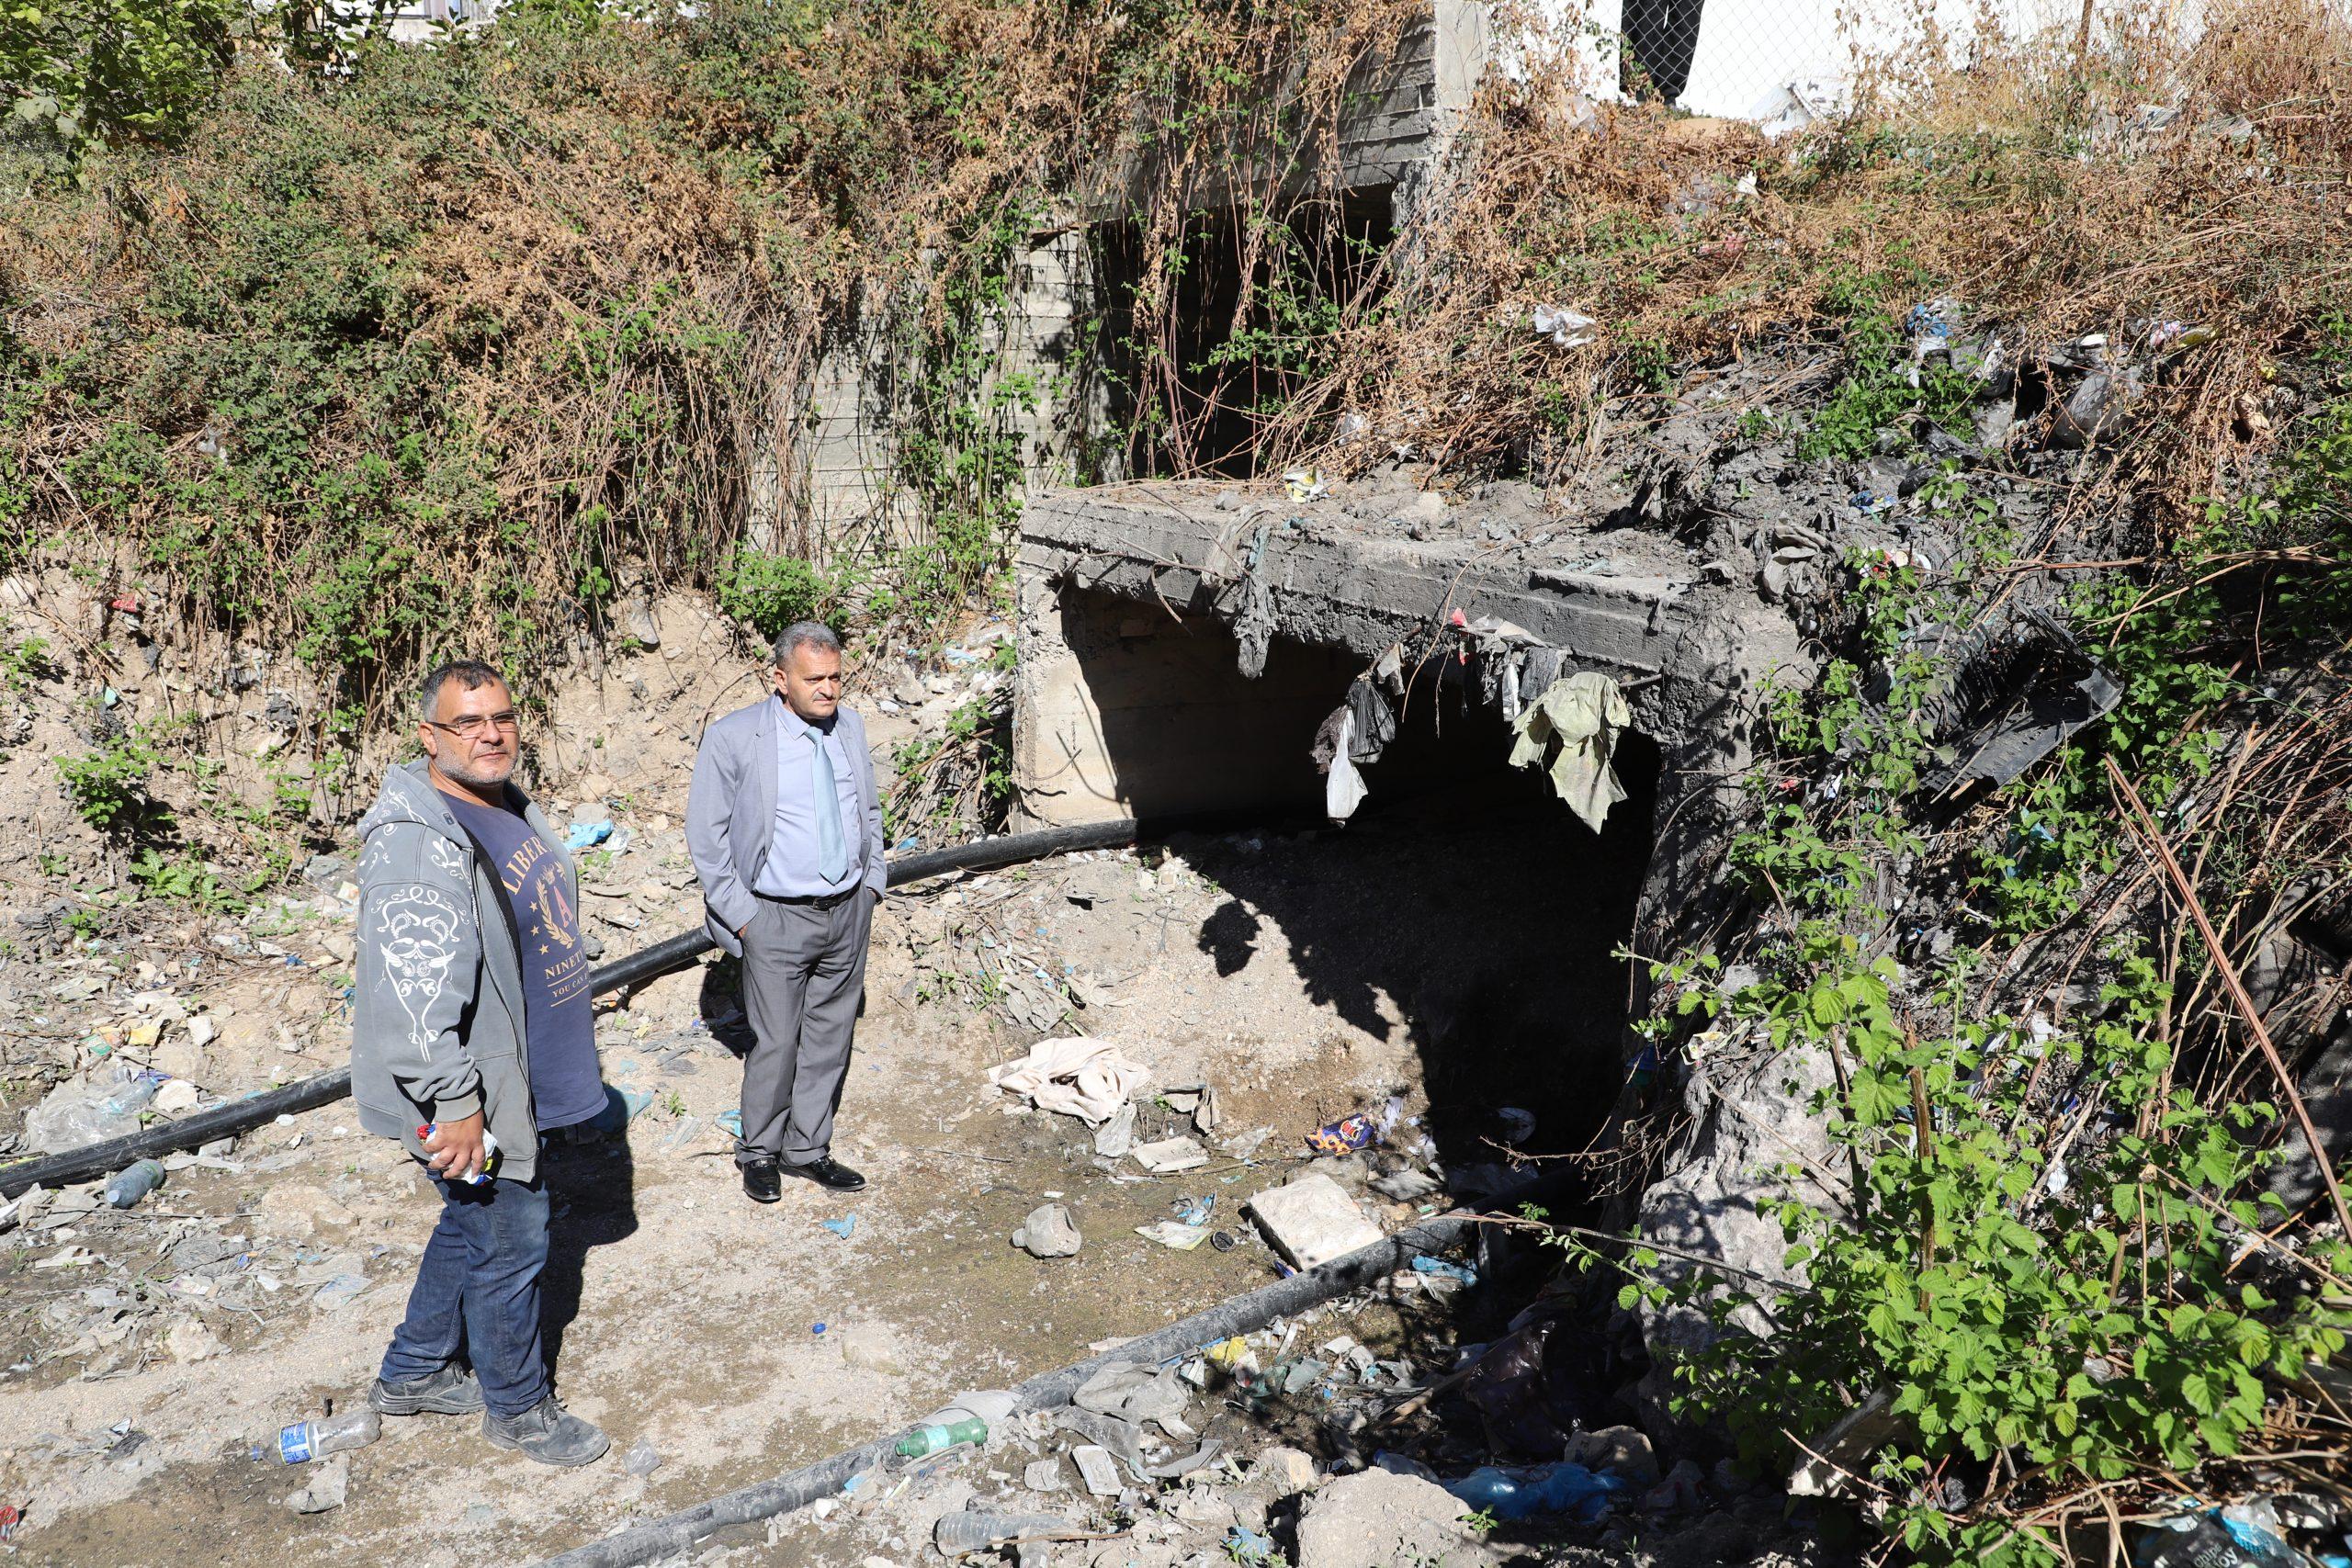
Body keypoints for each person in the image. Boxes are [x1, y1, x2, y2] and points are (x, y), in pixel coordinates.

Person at [349, 659, 611, 1467]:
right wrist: (455, 1100)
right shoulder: (418, 842)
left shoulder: (498, 804)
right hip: (470, 1088)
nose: (490, 733)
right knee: (512, 1238)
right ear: (429, 736)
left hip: (513, 1075)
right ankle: (519, 1408)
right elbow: (413, 996)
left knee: (475, 1221)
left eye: (501, 716)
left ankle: (414, 1372)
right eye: (467, 722)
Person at [686, 621, 886, 1203]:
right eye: (814, 679)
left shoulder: (850, 726)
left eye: (835, 677)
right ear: (780, 679)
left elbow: (868, 811)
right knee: (775, 1042)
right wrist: (743, 916)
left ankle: (807, 1149)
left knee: (830, 1035)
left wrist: (871, 885)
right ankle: (759, 1152)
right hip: (774, 916)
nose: (828, 689)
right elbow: (706, 836)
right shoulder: (735, 737)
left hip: (847, 910)